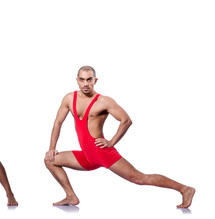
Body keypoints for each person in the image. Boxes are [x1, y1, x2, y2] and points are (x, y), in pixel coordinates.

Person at [44, 66, 195, 208]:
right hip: (87, 156)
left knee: (139, 178)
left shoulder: (104, 101)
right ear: (77, 80)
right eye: (82, 79)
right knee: (50, 160)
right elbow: (58, 123)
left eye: (89, 79)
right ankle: (71, 196)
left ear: (95, 81)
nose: (86, 83)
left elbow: (126, 120)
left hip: (102, 152)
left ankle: (184, 189)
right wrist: (52, 148)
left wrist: (111, 142)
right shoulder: (69, 98)